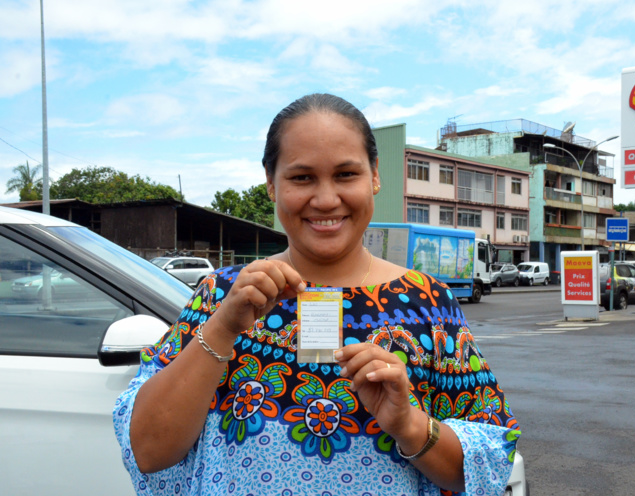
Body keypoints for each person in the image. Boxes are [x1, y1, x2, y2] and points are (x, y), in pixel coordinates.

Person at [114, 93, 520, 495]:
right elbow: (150, 452)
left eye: (346, 174)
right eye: (302, 177)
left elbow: (483, 471)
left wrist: (409, 424)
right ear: (271, 183)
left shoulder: (428, 303)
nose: (326, 199)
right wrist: (222, 327)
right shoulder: (221, 295)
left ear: (375, 175)